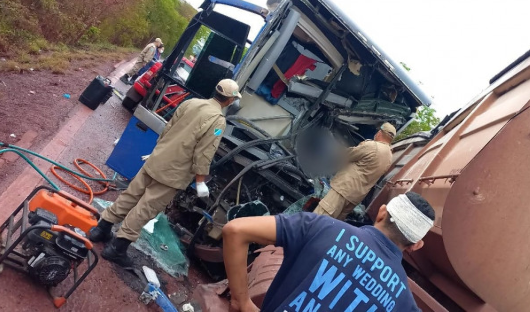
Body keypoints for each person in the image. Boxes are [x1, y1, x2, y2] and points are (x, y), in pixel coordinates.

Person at [89, 79, 242, 267]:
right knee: (146, 207)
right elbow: (205, 152)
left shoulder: (191, 102)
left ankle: (101, 229)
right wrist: (200, 181)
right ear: (230, 100)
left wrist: (159, 150)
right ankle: (116, 249)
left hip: (156, 159)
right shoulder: (218, 120)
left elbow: (167, 128)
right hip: (173, 173)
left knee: (131, 195)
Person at [222, 191, 435, 312]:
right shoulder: (404, 302)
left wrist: (241, 301)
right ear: (416, 245)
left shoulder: (320, 227)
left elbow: (235, 230)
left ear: (381, 213)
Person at [313, 123, 396, 220]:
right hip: (355, 197)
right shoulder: (389, 156)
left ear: (380, 133)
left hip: (344, 190)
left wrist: (331, 142)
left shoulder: (373, 146)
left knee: (321, 215)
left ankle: (305, 234)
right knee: (334, 222)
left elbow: (346, 155)